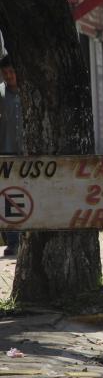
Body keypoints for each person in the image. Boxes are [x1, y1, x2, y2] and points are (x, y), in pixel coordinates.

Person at [0, 55, 21, 257]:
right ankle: (13, 241)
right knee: (9, 198)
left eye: (12, 71)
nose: (9, 76)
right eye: (5, 72)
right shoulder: (0, 93)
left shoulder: (31, 92)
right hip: (5, 153)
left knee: (30, 194)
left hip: (27, 154)